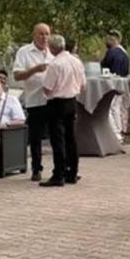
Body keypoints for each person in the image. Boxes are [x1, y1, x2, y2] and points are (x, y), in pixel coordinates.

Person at [40, 35, 85, 187]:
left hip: (57, 102)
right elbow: (83, 84)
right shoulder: (76, 61)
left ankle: (58, 173)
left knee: (57, 139)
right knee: (71, 137)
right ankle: (72, 172)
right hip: (72, 100)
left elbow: (47, 88)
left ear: (52, 48)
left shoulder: (55, 64)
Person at [12, 23, 53, 181]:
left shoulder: (54, 52)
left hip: (53, 99)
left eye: (47, 34)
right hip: (35, 100)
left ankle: (60, 168)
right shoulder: (24, 52)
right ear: (34, 35)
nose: (44, 38)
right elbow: (17, 76)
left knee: (56, 135)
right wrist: (34, 70)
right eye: (41, 34)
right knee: (35, 137)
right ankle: (37, 169)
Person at [102, 30, 130, 136]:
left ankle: (114, 132)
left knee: (110, 107)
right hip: (122, 82)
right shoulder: (125, 54)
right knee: (118, 107)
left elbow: (105, 67)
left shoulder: (111, 52)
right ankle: (119, 129)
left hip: (111, 83)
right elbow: (127, 70)